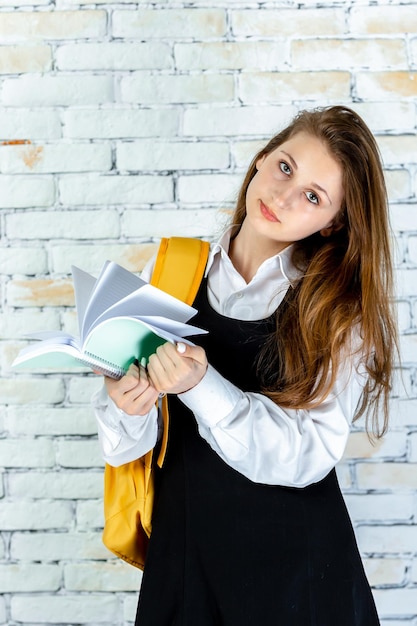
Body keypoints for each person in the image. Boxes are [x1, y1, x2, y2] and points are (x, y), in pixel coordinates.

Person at [93, 105, 397, 625]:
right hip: (186, 561)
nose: (282, 196)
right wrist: (126, 406)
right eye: (285, 167)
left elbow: (309, 454)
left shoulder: (337, 312)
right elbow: (128, 448)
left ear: (334, 223)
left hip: (298, 577)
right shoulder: (170, 270)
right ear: (261, 158)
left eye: (312, 196)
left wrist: (200, 384)